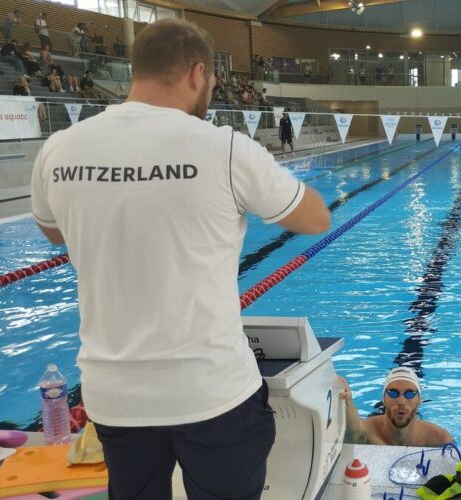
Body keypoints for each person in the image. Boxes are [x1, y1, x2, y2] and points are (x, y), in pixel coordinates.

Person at [30, 19, 330, 499]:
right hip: (212, 392)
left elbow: (52, 231)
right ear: (197, 73)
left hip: (115, 397)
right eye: (211, 81)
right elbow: (315, 219)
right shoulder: (225, 147)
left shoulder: (60, 148)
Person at [338, 367, 453, 447]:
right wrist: (346, 401)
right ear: (383, 399)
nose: (401, 401)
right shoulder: (367, 431)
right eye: (393, 393)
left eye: (409, 394)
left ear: (419, 400)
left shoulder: (439, 438)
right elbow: (353, 434)